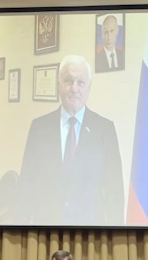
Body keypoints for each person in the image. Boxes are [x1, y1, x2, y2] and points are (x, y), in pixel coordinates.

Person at [18, 54, 124, 225]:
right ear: (59, 84)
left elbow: (115, 194)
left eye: (81, 82)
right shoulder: (39, 128)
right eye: (68, 81)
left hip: (90, 233)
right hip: (47, 230)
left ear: (89, 87)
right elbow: (26, 186)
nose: (74, 89)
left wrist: (116, 235)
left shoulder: (105, 129)